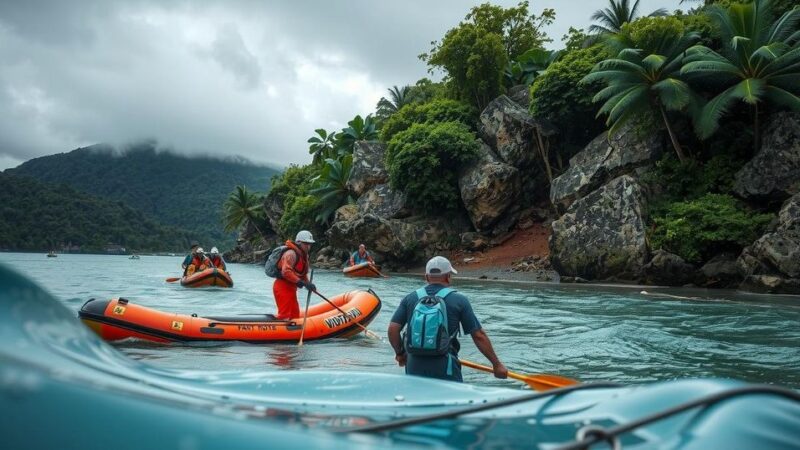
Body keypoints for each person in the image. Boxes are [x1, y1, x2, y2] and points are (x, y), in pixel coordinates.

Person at [388, 256, 508, 383]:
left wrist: (400, 353)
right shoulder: (459, 300)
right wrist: (497, 364)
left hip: (414, 366)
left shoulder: (410, 298)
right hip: (445, 366)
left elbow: (392, 330)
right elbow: (478, 335)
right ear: (447, 277)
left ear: (426, 277)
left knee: (418, 401)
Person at [272, 230, 316, 320]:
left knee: (295, 315)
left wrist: (308, 284)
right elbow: (286, 271)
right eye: (306, 243)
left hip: (291, 288)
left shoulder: (304, 256)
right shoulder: (291, 254)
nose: (308, 246)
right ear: (299, 243)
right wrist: (299, 281)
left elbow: (302, 273)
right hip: (282, 287)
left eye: (310, 244)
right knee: (285, 316)